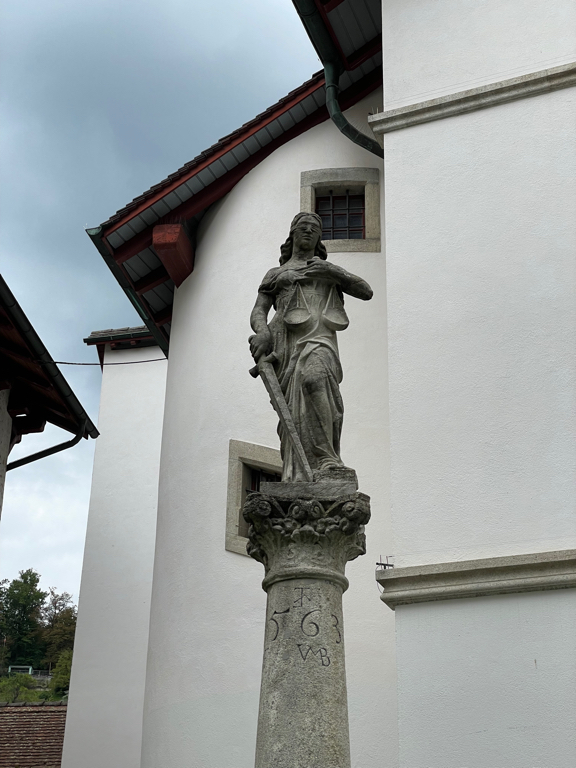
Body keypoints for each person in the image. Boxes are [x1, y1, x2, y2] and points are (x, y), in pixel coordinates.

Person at [249, 212, 373, 481]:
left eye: (314, 229)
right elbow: (259, 311)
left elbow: (366, 291)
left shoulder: (326, 271)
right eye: (302, 227)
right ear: (292, 234)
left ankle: (328, 458)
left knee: (315, 380)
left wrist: (333, 271)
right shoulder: (276, 273)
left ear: (319, 239)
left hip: (319, 340)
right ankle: (300, 473)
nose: (307, 231)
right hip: (284, 346)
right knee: (292, 414)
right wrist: (261, 333)